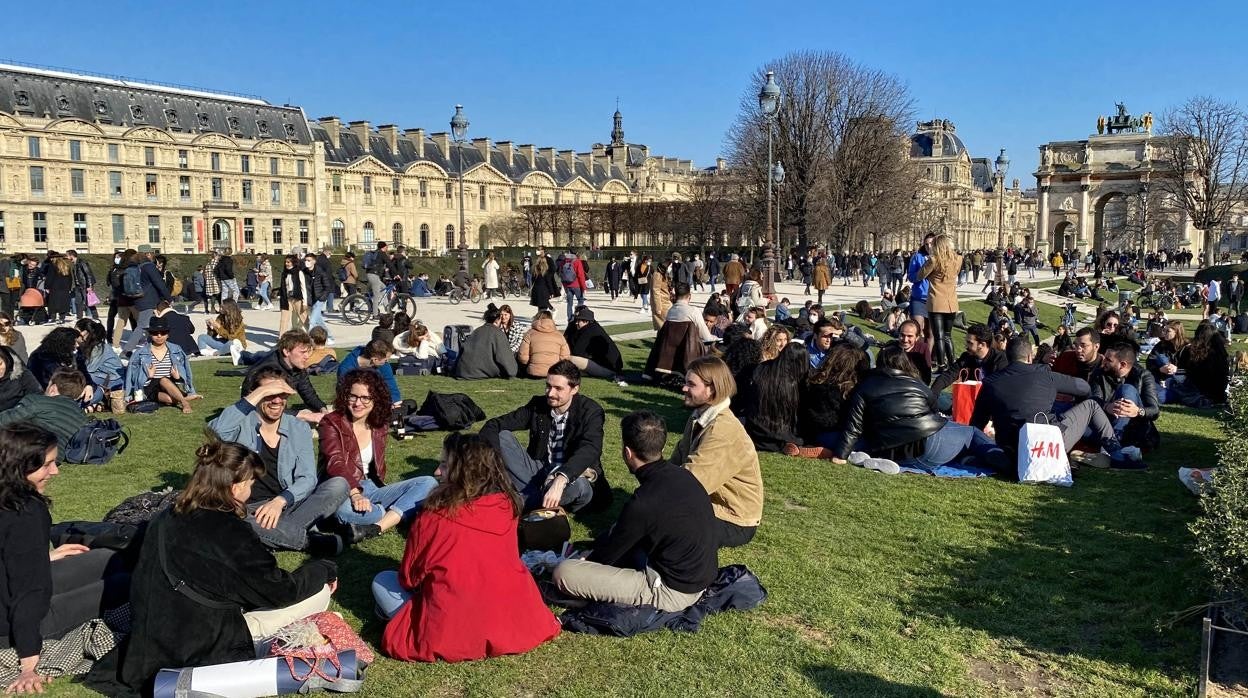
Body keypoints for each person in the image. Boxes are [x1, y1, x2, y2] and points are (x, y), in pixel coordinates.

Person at [121, 436, 338, 693]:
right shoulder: (231, 532)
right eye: (250, 484)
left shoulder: (166, 516)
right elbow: (280, 591)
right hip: (201, 646)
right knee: (319, 593)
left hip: (149, 638)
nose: (251, 492)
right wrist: (323, 569)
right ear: (235, 487)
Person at [373, 433, 560, 662]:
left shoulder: (433, 516)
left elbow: (410, 579)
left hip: (454, 626)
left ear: (462, 471)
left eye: (444, 465)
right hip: (516, 616)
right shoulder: (506, 506)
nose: (437, 472)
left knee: (382, 580)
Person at [0, 424, 128, 696]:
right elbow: (28, 591)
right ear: (19, 467)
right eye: (47, 465)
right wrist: (29, 663)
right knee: (126, 583)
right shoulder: (25, 513)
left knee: (108, 558)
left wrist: (42, 556)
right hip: (16, 620)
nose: (56, 471)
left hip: (14, 592)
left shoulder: (11, 502)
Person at [551, 410, 717, 612]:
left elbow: (605, 557)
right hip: (696, 575)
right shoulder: (683, 476)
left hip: (672, 591)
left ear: (627, 453)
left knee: (565, 572)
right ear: (661, 446)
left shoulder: (644, 502)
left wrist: (586, 559)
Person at [212, 367, 349, 553]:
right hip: (246, 508)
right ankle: (306, 540)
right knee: (228, 518)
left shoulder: (297, 427)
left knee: (338, 485)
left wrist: (279, 501)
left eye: (283, 394)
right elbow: (217, 431)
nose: (277, 400)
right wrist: (261, 392)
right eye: (270, 394)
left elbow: (308, 477)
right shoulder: (240, 423)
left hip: (288, 503)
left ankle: (272, 535)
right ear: (256, 395)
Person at [834, 344, 1006, 473]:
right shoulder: (916, 384)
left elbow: (853, 427)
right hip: (929, 445)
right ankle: (1002, 459)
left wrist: (841, 455)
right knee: (972, 433)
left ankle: (969, 458)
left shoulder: (865, 386)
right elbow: (933, 411)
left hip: (890, 450)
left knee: (959, 441)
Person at [971, 336, 1125, 466]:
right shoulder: (1045, 375)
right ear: (1030, 356)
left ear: (1008, 356)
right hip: (1047, 445)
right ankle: (1118, 455)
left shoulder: (990, 383)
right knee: (1091, 405)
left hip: (1010, 448)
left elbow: (977, 423)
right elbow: (1084, 387)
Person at [320, 370, 437, 540]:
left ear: (376, 399)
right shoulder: (331, 422)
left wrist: (368, 494)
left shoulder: (379, 424)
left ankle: (377, 525)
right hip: (341, 488)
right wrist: (356, 494)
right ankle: (396, 513)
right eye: (353, 396)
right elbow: (335, 462)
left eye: (365, 398)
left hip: (371, 488)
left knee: (429, 482)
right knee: (342, 511)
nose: (358, 403)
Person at [479, 360, 608, 512]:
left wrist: (561, 478)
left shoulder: (590, 411)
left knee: (578, 487)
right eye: (548, 386)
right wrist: (493, 463)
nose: (550, 393)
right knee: (501, 436)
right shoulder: (538, 405)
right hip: (540, 471)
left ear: (574, 389)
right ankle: (533, 499)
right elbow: (493, 425)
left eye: (558, 388)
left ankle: (517, 501)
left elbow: (590, 448)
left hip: (573, 475)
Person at [670, 356, 763, 547]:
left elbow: (692, 484)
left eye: (691, 384)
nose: (684, 388)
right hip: (709, 506)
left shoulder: (723, 430)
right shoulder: (698, 417)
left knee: (662, 524)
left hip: (733, 519)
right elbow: (676, 463)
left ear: (712, 389)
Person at [788, 341, 871, 456]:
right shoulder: (850, 390)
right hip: (830, 434)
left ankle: (810, 446)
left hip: (805, 430)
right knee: (865, 442)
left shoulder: (814, 379)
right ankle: (826, 450)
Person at [241, 330, 329, 423]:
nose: (307, 356)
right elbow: (270, 409)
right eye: (303, 352)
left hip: (272, 411)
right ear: (286, 352)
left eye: (308, 352)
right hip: (255, 415)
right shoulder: (269, 372)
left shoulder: (296, 365)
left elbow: (308, 393)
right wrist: (307, 416)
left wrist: (322, 409)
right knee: (304, 416)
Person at [1089, 340, 1161, 451]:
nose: (1104, 362)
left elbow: (1154, 410)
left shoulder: (1143, 376)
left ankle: (1113, 443)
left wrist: (1137, 411)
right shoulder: (1099, 373)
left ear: (1122, 365)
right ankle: (1113, 443)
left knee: (1126, 389)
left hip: (1134, 428)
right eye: (1105, 358)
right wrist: (1107, 406)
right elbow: (1094, 399)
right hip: (1105, 422)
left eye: (1109, 360)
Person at [737, 343, 809, 453]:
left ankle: (783, 446)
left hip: (755, 425)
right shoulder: (794, 382)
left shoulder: (762, 367)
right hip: (780, 428)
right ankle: (786, 446)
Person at [0, 368, 89, 455]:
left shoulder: (37, 401)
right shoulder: (81, 416)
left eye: (48, 384)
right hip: (54, 457)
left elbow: (4, 420)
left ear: (52, 389)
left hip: (24, 452)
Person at [124, 316, 199, 413]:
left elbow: (187, 372)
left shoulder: (176, 350)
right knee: (168, 398)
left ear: (168, 334)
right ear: (150, 334)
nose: (159, 336)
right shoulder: (140, 353)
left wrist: (177, 378)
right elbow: (131, 376)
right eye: (155, 333)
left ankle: (184, 402)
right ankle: (184, 399)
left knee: (164, 381)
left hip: (170, 384)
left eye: (163, 332)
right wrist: (149, 377)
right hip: (149, 387)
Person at [918, 234, 962, 371]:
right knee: (948, 335)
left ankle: (942, 364)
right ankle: (952, 362)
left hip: (936, 300)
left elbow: (920, 275)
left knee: (939, 336)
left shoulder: (934, 260)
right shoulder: (958, 259)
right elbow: (955, 273)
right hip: (951, 301)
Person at [119, 250, 172, 355]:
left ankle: (155, 348)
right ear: (147, 255)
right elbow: (159, 283)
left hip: (138, 299)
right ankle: (126, 350)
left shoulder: (136, 267)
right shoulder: (149, 266)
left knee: (151, 326)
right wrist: (168, 298)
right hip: (149, 300)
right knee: (142, 326)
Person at [931, 323, 1008, 394]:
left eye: (970, 343)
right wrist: (932, 394)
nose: (966, 346)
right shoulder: (967, 357)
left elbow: (999, 389)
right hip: (967, 401)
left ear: (982, 345)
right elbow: (947, 376)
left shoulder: (999, 360)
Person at [455, 305, 519, 380]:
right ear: (498, 320)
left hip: (462, 371)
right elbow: (505, 359)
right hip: (477, 373)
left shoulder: (477, 331)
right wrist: (512, 372)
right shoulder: (498, 333)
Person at [337, 338, 402, 405]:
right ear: (375, 360)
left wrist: (394, 401)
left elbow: (391, 384)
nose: (387, 361)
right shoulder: (346, 369)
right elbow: (346, 393)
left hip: (378, 400)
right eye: (385, 360)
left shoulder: (383, 365)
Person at [564, 306, 623, 379]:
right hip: (611, 367)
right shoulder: (594, 327)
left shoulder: (589, 331)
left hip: (609, 370)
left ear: (586, 321)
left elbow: (577, 352)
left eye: (578, 321)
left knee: (570, 358)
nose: (576, 323)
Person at [518, 310, 571, 378]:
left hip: (533, 372)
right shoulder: (559, 335)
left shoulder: (530, 333)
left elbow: (523, 357)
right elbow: (565, 357)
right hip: (554, 372)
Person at [0, 346, 39, 413]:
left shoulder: (23, 374)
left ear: (6, 360)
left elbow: (36, 398)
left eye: (0, 364)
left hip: (22, 417)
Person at [276, 254, 305, 334]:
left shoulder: (299, 272)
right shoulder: (284, 274)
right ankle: (281, 338)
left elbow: (303, 288)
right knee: (283, 320)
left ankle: (311, 337)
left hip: (297, 298)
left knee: (303, 318)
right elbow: (282, 287)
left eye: (288, 262)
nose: (286, 264)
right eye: (286, 262)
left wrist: (305, 301)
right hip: (286, 299)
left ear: (293, 263)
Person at [65, 250, 97, 321]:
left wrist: (89, 286)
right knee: (78, 302)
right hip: (78, 286)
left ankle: (95, 317)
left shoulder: (82, 263)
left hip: (85, 285)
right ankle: (79, 317)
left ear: (71, 256)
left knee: (89, 301)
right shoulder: (75, 264)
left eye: (67, 255)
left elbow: (88, 274)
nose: (66, 257)